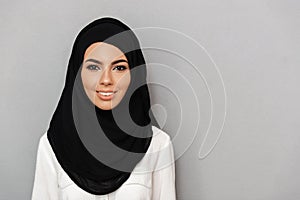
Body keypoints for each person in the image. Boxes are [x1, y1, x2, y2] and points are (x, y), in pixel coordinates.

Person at [31, 17, 176, 200]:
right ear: (77, 73)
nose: (106, 80)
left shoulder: (158, 146)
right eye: (93, 67)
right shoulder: (53, 145)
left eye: (119, 68)